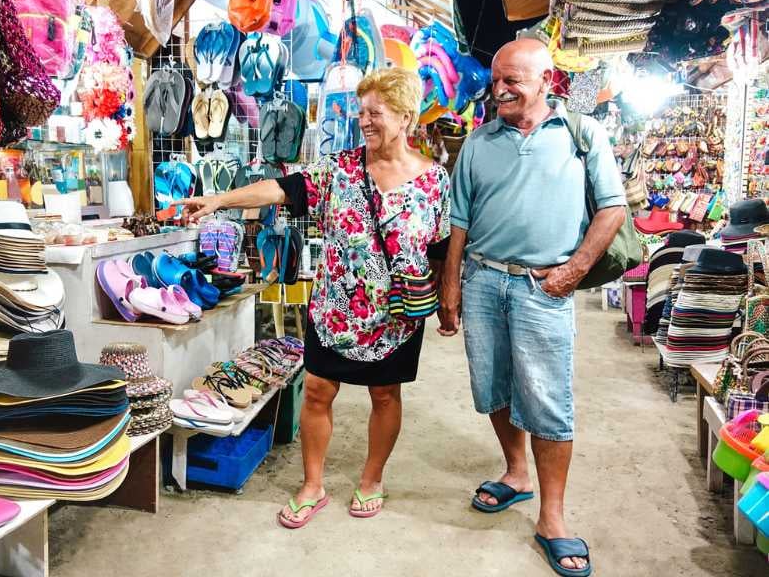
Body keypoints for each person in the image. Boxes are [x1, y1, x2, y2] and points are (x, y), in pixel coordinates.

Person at [178, 67, 450, 528]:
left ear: (405, 118)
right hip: (334, 310)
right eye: (361, 112)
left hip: (397, 314)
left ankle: (371, 479)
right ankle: (312, 484)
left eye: (375, 112)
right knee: (319, 391)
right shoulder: (340, 169)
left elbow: (441, 248)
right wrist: (220, 200)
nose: (364, 121)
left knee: (385, 395)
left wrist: (446, 299)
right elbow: (280, 189)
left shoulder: (435, 181)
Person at [438, 39, 625, 577]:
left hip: (543, 288)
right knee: (492, 386)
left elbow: (611, 209)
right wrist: (451, 283)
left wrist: (571, 273)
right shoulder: (478, 142)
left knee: (547, 398)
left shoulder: (581, 135)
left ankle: (553, 517)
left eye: (513, 80)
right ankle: (516, 472)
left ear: (547, 78)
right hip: (482, 282)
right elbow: (459, 219)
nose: (500, 89)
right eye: (497, 80)